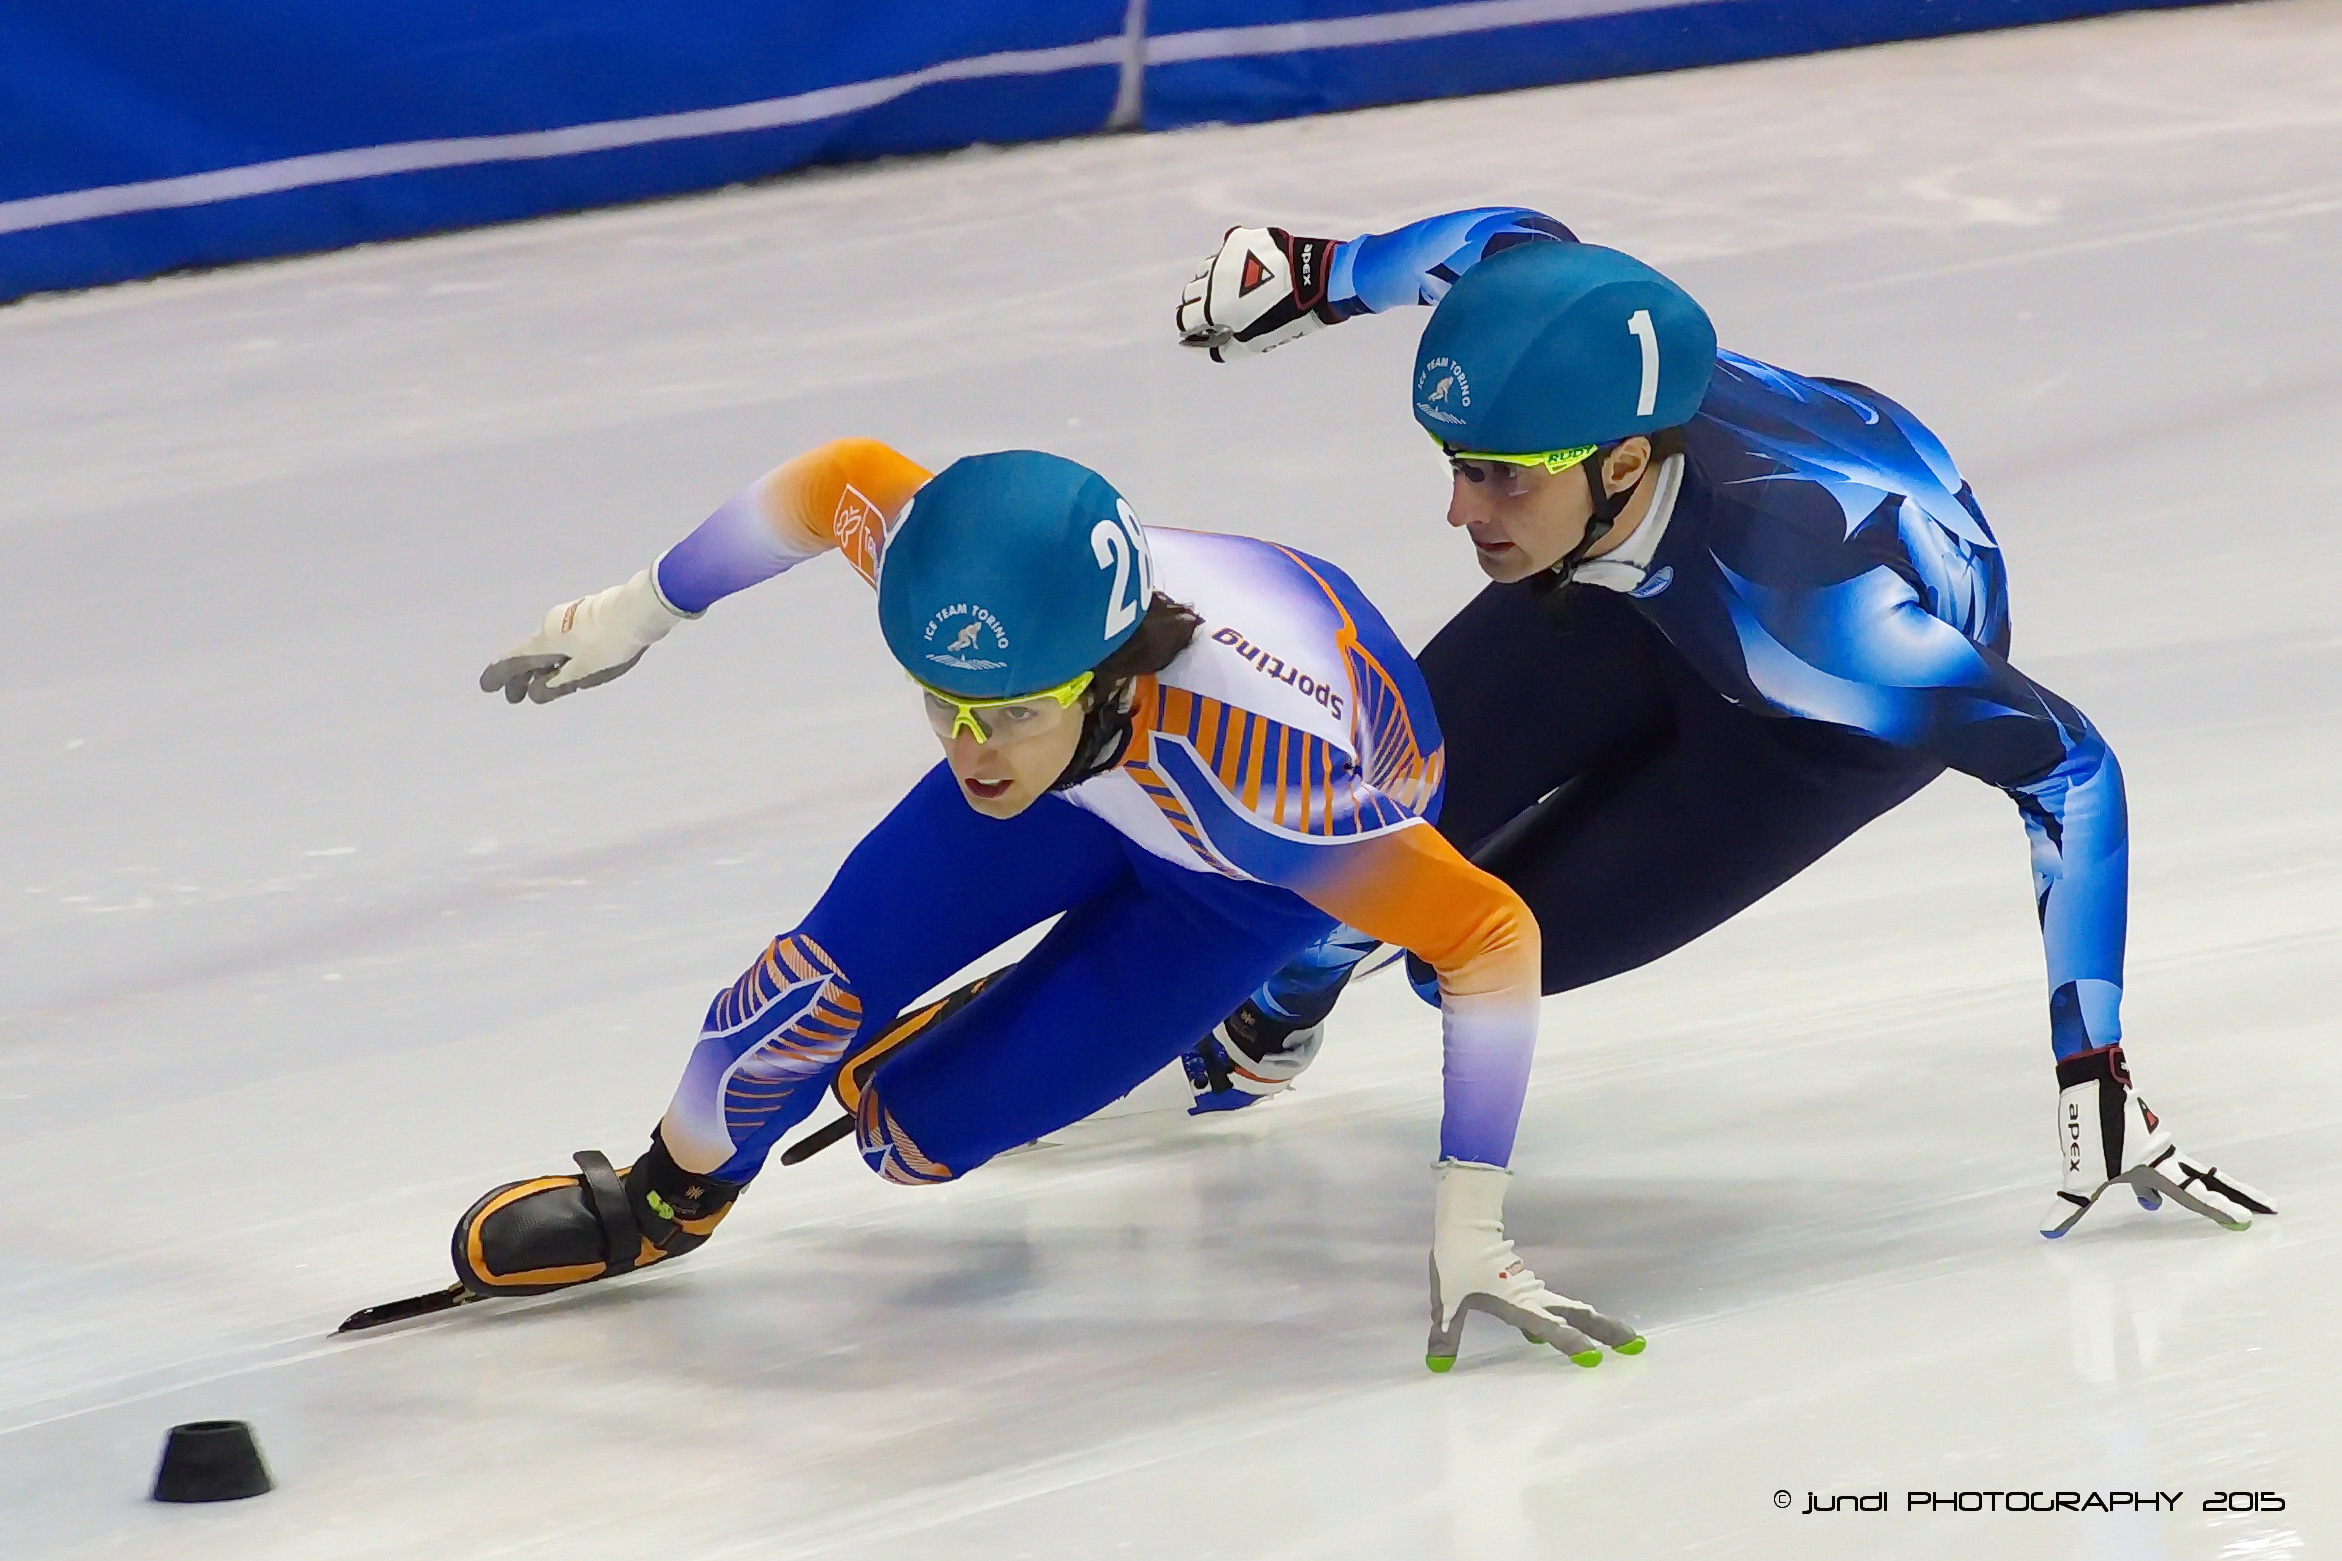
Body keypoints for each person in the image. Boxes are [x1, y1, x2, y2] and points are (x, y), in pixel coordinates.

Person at [1173, 211, 2273, 1239]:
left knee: (1453, 953)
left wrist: (2092, 1060)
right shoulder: (1575, 359)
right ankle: (1280, 1012)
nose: (1459, 510)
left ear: (1617, 464)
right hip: (1636, 593)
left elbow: (2069, 771)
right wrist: (1315, 274)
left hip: (1801, 732)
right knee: (1356, 834)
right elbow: (1502, 243)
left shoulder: (1827, 630)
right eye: (1456, 465)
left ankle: (1347, 949)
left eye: (1498, 476)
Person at [454, 439, 1646, 1371]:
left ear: (1103, 673)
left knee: (910, 1142)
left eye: (1009, 712)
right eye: (941, 706)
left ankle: (1246, 1007)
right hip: (1093, 779)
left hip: (1240, 879)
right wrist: (629, 615)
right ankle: (673, 1193)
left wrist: (1471, 1218)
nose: (972, 752)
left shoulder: (1271, 783)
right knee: (799, 1000)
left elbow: (1491, 933)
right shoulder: (962, 576)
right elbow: (835, 480)